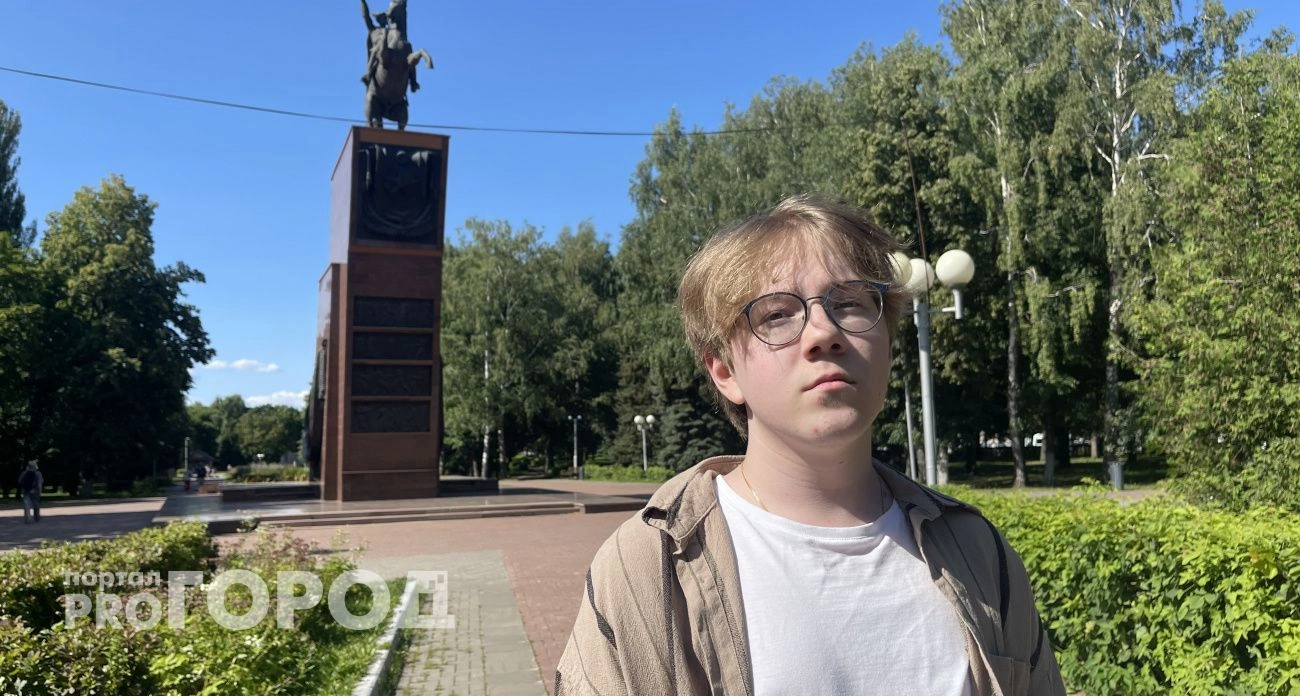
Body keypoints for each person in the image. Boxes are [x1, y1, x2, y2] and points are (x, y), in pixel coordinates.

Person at [555, 195, 1065, 695]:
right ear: (725, 371)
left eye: (849, 303)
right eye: (776, 315)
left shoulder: (977, 552)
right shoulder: (647, 566)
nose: (824, 332)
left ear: (887, 344)